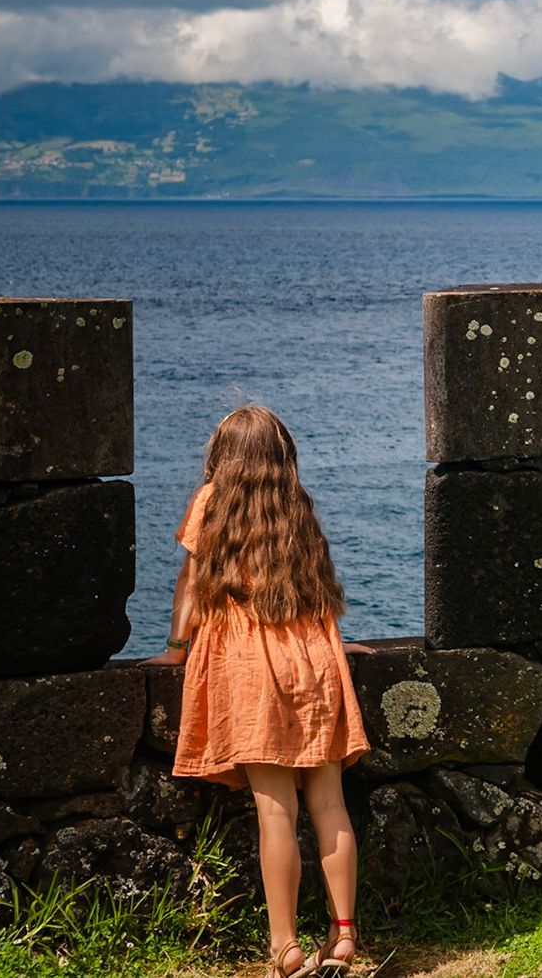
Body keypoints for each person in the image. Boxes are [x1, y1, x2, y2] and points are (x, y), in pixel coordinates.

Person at [143, 406, 373, 978]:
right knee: (330, 803)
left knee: (277, 812)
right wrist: (334, 644)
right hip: (314, 655)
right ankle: (344, 935)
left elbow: (191, 584)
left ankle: (285, 948)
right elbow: (316, 588)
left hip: (251, 665)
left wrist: (174, 649)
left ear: (225, 456)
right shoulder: (295, 505)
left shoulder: (211, 502)